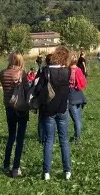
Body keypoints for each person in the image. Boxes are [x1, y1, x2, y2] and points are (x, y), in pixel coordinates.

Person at [34, 45, 72, 181]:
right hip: (62, 108)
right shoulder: (67, 71)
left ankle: (46, 172)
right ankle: (67, 171)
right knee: (64, 141)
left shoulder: (46, 71)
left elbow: (38, 89)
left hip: (48, 109)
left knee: (49, 141)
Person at [0, 53, 28, 178]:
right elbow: (26, 89)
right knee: (20, 138)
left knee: (11, 136)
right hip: (21, 107)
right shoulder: (22, 73)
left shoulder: (3, 73)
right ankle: (16, 167)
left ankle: (6, 164)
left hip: (9, 106)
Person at [67, 54, 87, 142]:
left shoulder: (67, 71)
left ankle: (77, 138)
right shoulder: (78, 70)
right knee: (78, 118)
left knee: (75, 120)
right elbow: (83, 82)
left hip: (71, 96)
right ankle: (76, 135)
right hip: (79, 95)